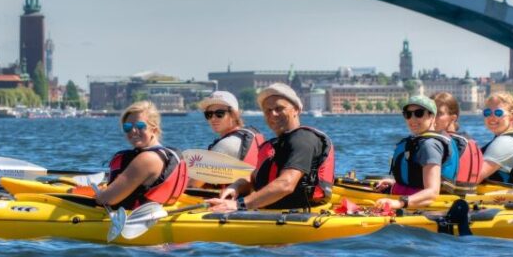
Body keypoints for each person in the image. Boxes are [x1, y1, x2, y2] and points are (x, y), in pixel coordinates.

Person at [207, 83, 334, 212]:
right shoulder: (274, 145)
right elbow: (252, 177)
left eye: (279, 108)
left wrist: (239, 204)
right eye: (268, 110)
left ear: (296, 109)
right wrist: (236, 186)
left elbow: (286, 184)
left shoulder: (303, 140)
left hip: (299, 215)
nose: (273, 114)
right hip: (269, 212)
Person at [93, 101, 188, 210]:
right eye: (128, 127)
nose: (133, 131)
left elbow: (106, 199)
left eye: (140, 126)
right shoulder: (164, 155)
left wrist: (100, 194)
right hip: (154, 213)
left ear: (154, 129)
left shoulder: (146, 159)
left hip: (132, 219)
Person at [375, 95, 455, 210]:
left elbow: (432, 192)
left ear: (432, 116)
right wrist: (394, 183)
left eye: (419, 113)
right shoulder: (423, 142)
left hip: (428, 207)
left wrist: (399, 203)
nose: (412, 119)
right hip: (414, 198)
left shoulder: (429, 146)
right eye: (408, 114)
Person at [431, 91, 483, 193]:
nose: (432, 118)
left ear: (453, 118)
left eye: (439, 114)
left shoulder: (438, 143)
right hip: (468, 199)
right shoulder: (471, 142)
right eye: (430, 112)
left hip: (442, 200)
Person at [199, 90, 264, 165]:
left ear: (234, 114)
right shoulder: (250, 135)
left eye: (219, 114)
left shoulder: (225, 145)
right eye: (209, 114)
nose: (213, 118)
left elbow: (202, 175)